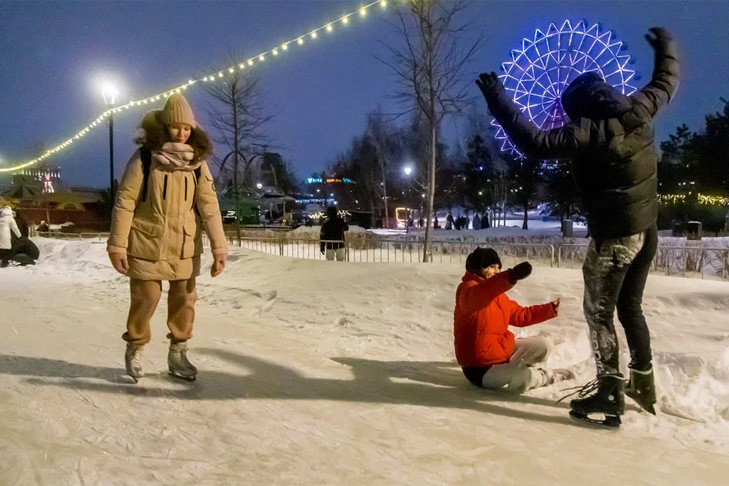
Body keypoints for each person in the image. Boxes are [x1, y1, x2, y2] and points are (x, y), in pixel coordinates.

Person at [476, 27, 679, 425]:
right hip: (647, 230)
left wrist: (498, 98)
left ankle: (609, 393)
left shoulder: (586, 133)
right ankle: (642, 380)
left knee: (599, 313)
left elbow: (533, 142)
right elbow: (665, 82)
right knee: (630, 306)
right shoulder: (640, 107)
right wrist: (665, 49)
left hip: (614, 238)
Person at [107, 93, 228, 383]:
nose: (182, 133)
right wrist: (118, 244)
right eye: (175, 127)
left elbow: (209, 206)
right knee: (146, 296)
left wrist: (219, 247)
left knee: (185, 299)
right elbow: (125, 202)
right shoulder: (146, 158)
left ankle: (178, 351)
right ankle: (135, 346)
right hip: (148, 241)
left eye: (187, 128)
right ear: (164, 126)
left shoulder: (197, 163)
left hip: (184, 245)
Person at [454, 247, 572, 393]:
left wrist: (549, 309)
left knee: (544, 344)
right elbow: (483, 292)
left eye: (498, 267)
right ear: (478, 269)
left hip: (502, 354)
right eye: (491, 267)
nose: (497, 271)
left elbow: (520, 315)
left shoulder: (499, 296)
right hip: (481, 370)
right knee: (524, 376)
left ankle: (527, 368)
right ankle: (543, 377)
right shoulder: (468, 292)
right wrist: (510, 276)